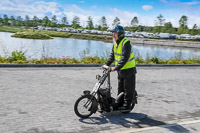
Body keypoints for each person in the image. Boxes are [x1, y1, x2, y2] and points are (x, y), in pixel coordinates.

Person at [105, 25, 137, 110]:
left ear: (120, 34)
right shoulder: (115, 43)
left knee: (128, 89)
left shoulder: (126, 42)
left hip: (129, 70)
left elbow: (124, 58)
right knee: (120, 88)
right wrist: (106, 64)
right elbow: (112, 56)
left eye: (114, 33)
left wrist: (115, 67)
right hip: (121, 70)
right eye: (113, 33)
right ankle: (119, 104)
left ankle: (127, 106)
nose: (113, 35)